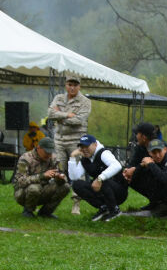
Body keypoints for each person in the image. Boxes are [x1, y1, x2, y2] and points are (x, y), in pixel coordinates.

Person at [47, 75, 92, 215]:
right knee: (58, 170)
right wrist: (67, 115)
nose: (72, 87)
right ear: (66, 85)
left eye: (75, 85)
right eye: (69, 84)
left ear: (79, 86)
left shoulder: (85, 101)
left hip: (76, 141)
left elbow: (79, 119)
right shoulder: (59, 98)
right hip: (59, 139)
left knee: (77, 172)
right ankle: (50, 203)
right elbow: (49, 113)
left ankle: (76, 204)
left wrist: (59, 115)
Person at [68, 134, 128, 222]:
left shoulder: (103, 153)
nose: (84, 149)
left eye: (87, 146)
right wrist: (72, 158)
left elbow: (117, 166)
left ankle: (114, 210)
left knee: (102, 180)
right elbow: (74, 177)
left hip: (119, 191)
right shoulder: (85, 159)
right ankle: (104, 208)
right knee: (77, 185)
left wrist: (100, 178)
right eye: (82, 147)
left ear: (95, 144)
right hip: (103, 191)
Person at [12, 136, 70, 218]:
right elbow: (21, 181)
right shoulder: (26, 158)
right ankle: (28, 211)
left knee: (66, 187)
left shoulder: (54, 158)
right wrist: (42, 176)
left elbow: (63, 176)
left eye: (50, 152)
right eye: (46, 152)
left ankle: (46, 212)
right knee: (34, 188)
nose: (49, 155)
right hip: (23, 193)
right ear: (38, 148)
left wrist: (60, 178)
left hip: (44, 189)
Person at [122, 122, 157, 210]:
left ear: (144, 137)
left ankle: (161, 201)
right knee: (127, 178)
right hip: (145, 174)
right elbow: (133, 162)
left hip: (161, 179)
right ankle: (154, 201)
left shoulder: (158, 148)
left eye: (137, 134)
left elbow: (156, 169)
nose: (136, 136)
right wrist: (128, 170)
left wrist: (135, 170)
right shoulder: (140, 147)